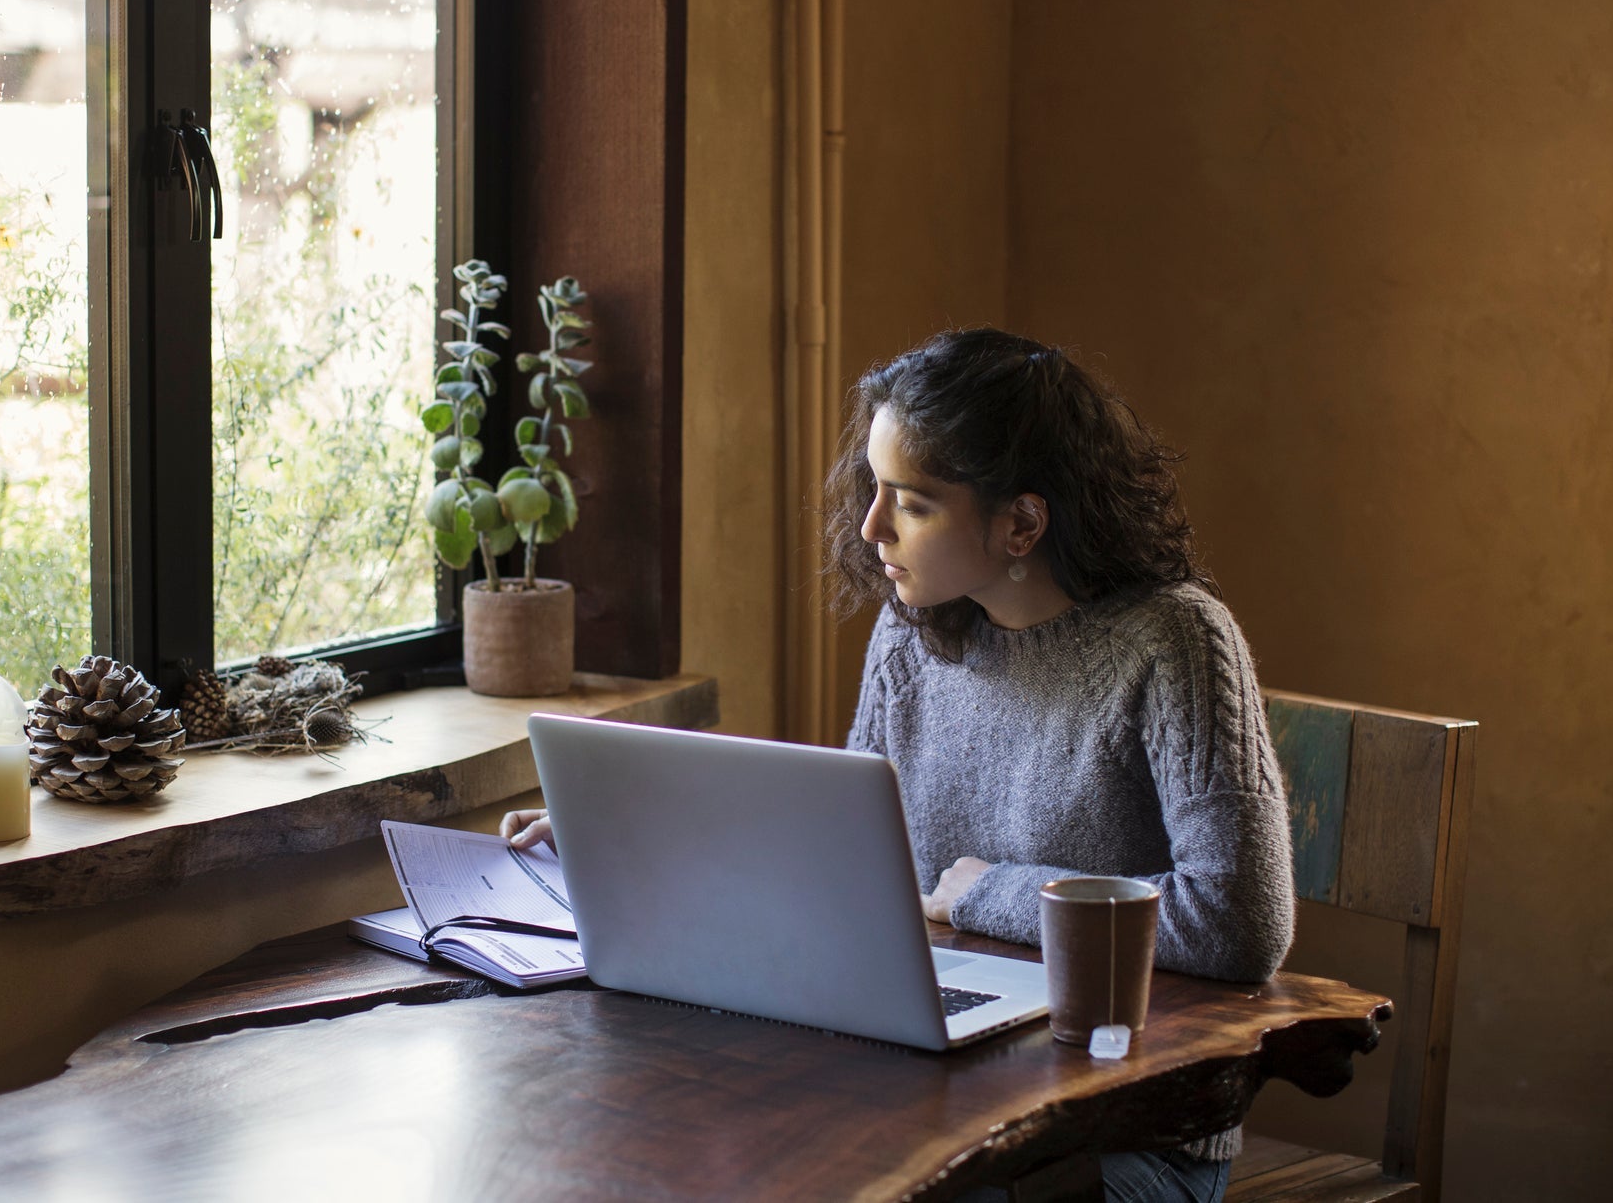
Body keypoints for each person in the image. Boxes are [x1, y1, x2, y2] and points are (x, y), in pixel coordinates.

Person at [504, 328, 1293, 1203]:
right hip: (946, 1092)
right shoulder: (913, 629)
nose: (873, 526)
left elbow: (1237, 925)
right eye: (873, 489)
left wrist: (987, 892)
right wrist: (638, 838)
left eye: (911, 502)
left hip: (1126, 1137)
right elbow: (853, 862)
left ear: (1021, 522)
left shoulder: (1175, 642)